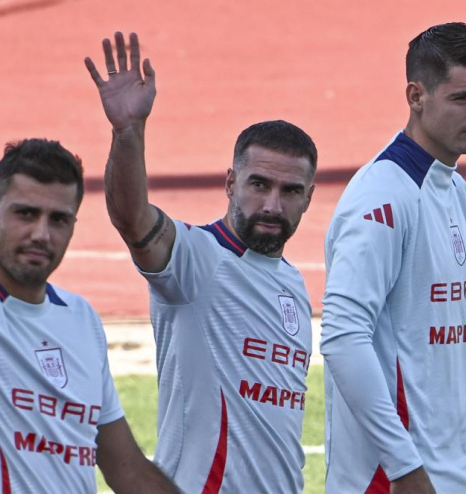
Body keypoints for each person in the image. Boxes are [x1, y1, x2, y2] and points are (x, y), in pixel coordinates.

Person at [0, 40, 179, 493]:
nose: (42, 233)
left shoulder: (80, 318)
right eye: (26, 213)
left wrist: (129, 133)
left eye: (58, 219)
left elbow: (126, 468)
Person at [85, 32, 318, 492]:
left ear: (309, 198)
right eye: (259, 184)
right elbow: (132, 218)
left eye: (290, 191)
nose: (273, 204)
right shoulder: (196, 259)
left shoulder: (293, 283)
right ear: (231, 182)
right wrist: (128, 132)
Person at [321, 22, 466, 493]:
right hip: (399, 482)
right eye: (463, 98)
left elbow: (450, 357)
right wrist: (404, 468)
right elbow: (342, 336)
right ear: (416, 96)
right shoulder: (382, 195)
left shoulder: (454, 189)